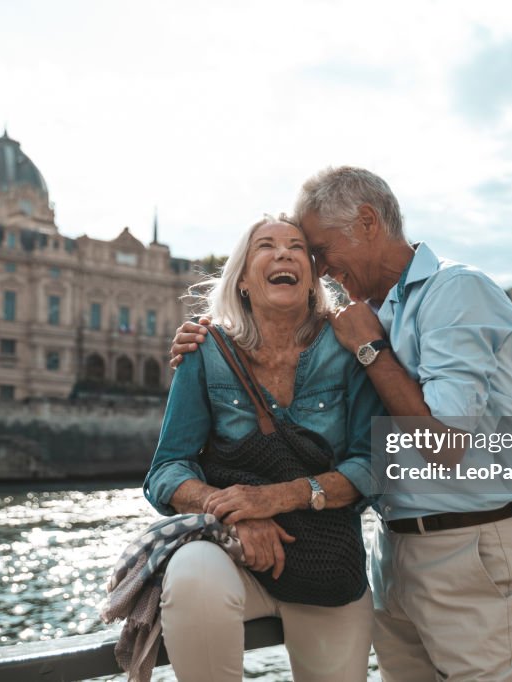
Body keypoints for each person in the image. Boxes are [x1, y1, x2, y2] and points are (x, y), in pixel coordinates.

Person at [171, 168, 512, 681]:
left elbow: (447, 446)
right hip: (394, 550)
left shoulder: (456, 292)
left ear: (367, 222)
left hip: (471, 547)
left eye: (318, 249)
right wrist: (204, 340)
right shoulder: (369, 311)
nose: (319, 267)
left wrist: (371, 350)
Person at [144, 215, 382, 682]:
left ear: (313, 279)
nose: (284, 254)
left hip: (328, 563)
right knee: (191, 572)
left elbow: (372, 467)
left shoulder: (348, 347)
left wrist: (275, 498)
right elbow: (167, 470)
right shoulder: (206, 348)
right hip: (235, 554)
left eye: (297, 247)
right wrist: (236, 511)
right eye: (266, 246)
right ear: (244, 279)